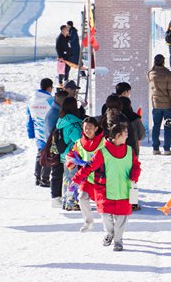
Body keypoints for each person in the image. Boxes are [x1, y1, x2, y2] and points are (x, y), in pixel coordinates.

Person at [73, 122, 141, 250]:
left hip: (124, 190)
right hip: (105, 190)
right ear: (118, 135)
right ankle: (110, 233)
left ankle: (118, 240)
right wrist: (76, 179)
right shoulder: (102, 152)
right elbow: (89, 167)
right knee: (105, 215)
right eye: (125, 133)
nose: (127, 136)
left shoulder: (129, 150)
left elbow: (136, 165)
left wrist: (134, 176)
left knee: (122, 217)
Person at [66, 116, 105, 232]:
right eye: (85, 128)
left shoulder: (104, 141)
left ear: (96, 128)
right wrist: (72, 161)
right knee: (82, 197)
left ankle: (109, 227)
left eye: (90, 128)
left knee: (104, 205)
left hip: (102, 178)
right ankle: (88, 221)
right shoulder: (79, 143)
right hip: (86, 177)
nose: (88, 130)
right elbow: (71, 155)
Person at [56, 97, 83, 210]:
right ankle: (71, 201)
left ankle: (66, 200)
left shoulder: (61, 121)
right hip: (73, 155)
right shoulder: (73, 123)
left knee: (66, 177)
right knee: (72, 177)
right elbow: (78, 139)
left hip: (64, 154)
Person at [147, 54, 171, 155]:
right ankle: (167, 149)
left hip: (156, 105)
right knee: (167, 127)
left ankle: (155, 148)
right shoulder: (168, 74)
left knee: (156, 126)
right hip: (167, 106)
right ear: (163, 62)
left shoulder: (151, 73)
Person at [27, 78, 54, 187]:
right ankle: (45, 179)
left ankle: (37, 177)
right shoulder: (50, 100)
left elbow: (29, 119)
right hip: (48, 132)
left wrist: (31, 133)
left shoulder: (32, 100)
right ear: (49, 88)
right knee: (48, 155)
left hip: (38, 131)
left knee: (39, 153)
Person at [45, 89, 67, 204]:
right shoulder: (53, 113)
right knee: (56, 171)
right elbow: (50, 133)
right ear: (59, 99)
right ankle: (55, 197)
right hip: (55, 147)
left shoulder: (58, 111)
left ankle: (58, 195)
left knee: (59, 171)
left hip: (59, 146)